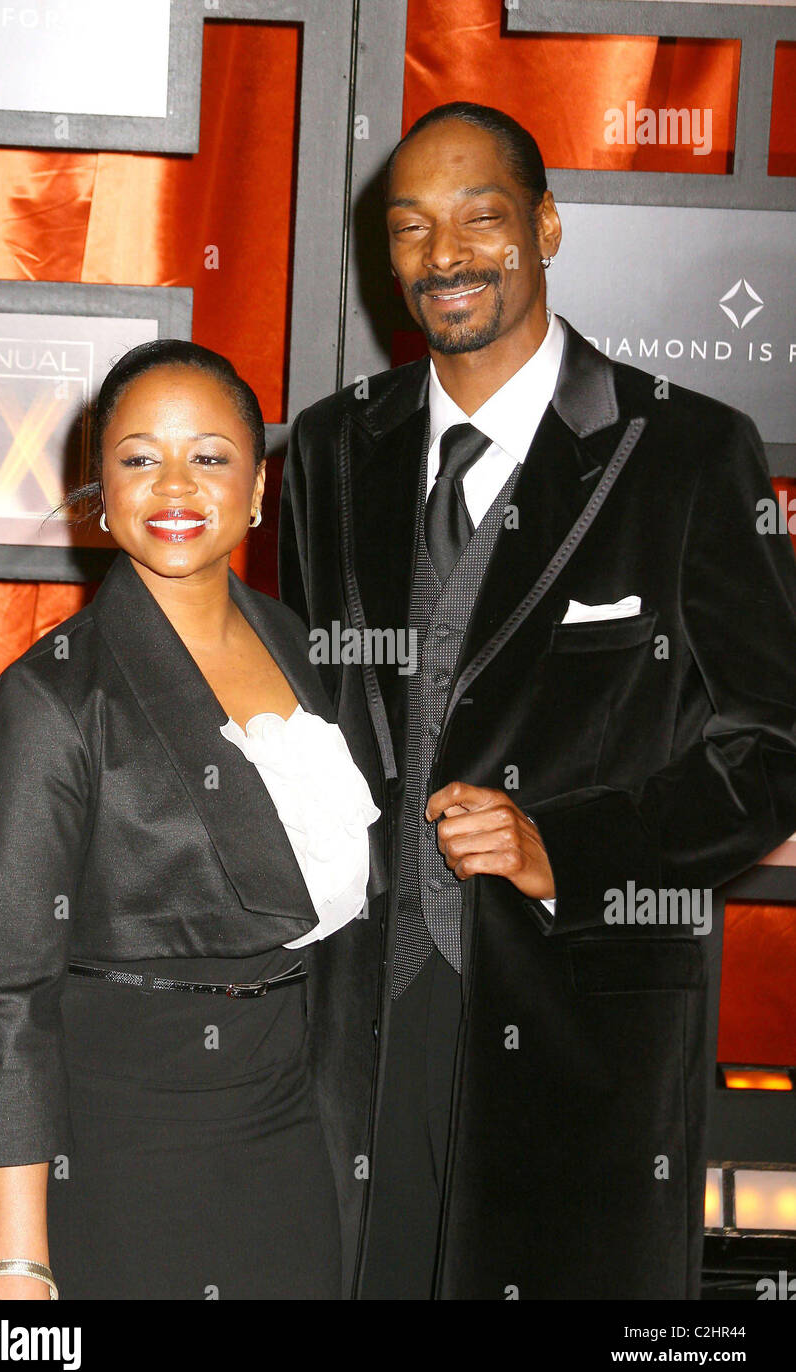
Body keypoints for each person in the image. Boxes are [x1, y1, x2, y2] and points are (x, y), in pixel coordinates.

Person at [278, 101, 796, 1299]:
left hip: (577, 1011)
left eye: (479, 216)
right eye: (409, 226)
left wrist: (565, 845)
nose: (443, 252)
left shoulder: (682, 452)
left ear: (545, 227)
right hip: (359, 1012)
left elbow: (772, 747)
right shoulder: (327, 449)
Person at [0, 339, 381, 1300]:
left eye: (211, 456)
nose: (174, 485)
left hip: (288, 1137)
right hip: (118, 1149)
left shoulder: (301, 649)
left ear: (259, 487)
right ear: (98, 486)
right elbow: (7, 1002)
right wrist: (19, 1267)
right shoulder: (53, 697)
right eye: (139, 457)